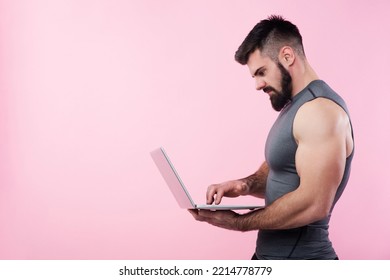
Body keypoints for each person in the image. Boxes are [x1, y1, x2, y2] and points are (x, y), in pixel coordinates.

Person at [189, 15, 354, 260]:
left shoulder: (321, 111)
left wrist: (238, 223)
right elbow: (284, 170)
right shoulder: (296, 105)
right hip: (269, 258)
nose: (257, 84)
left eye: (261, 72)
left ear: (287, 56)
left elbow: (314, 204)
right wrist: (243, 185)